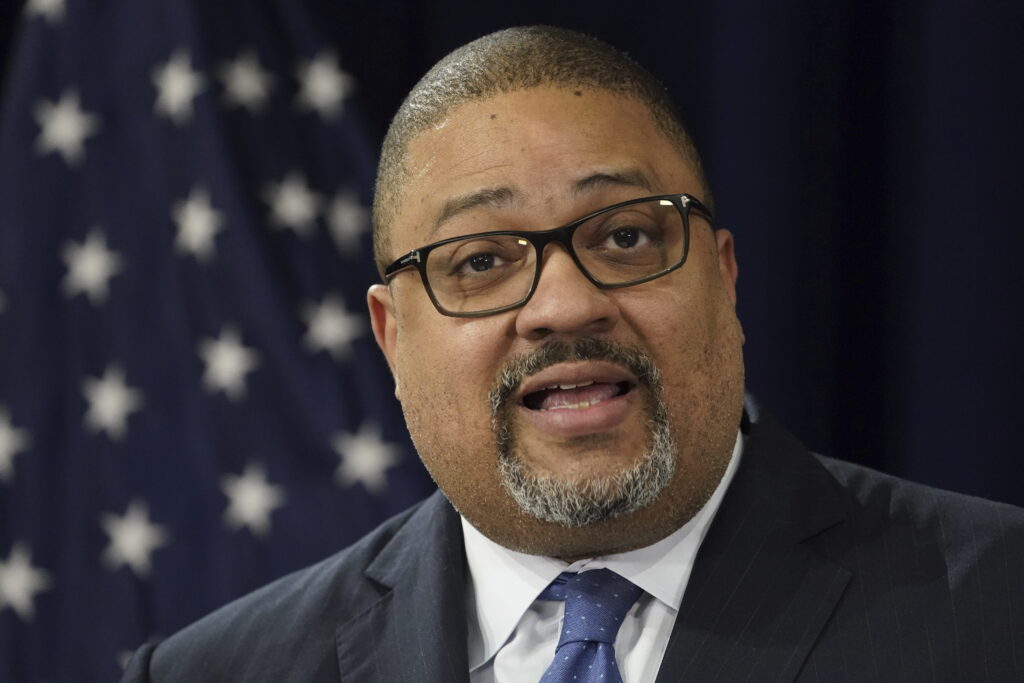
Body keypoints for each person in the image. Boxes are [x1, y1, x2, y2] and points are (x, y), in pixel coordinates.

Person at [123, 26, 1024, 682]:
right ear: (391, 339)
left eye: (627, 237)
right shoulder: (215, 670)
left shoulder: (998, 607)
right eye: (479, 260)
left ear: (723, 278)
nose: (562, 305)